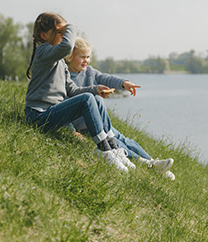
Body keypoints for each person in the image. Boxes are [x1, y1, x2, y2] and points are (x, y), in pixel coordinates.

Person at [24, 12, 130, 172]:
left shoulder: (59, 62)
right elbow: (67, 46)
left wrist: (96, 89)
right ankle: (104, 151)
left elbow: (72, 90)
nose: (64, 35)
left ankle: (113, 149)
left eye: (64, 31)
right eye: (60, 32)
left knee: (91, 97)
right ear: (43, 35)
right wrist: (71, 26)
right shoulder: (43, 51)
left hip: (51, 113)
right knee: (86, 99)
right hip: (38, 115)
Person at [66, 37, 175, 180]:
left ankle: (154, 162)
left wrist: (124, 83)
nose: (86, 60)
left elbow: (106, 78)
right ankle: (146, 164)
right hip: (87, 127)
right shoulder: (66, 77)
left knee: (124, 139)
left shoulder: (89, 72)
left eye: (88, 57)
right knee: (118, 143)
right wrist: (71, 130)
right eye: (82, 57)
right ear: (70, 56)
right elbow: (61, 103)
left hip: (102, 122)